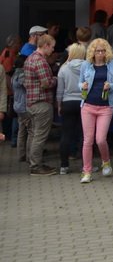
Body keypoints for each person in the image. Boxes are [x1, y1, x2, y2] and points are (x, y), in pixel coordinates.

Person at [78, 38, 113, 182]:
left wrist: (110, 85)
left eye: (103, 51)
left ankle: (106, 161)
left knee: (101, 139)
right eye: (98, 51)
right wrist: (82, 86)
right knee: (88, 140)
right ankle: (87, 172)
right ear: (92, 52)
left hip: (105, 106)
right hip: (88, 106)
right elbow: (79, 83)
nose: (101, 54)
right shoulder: (86, 65)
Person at [22, 34, 57, 176]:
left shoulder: (30, 58)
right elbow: (46, 83)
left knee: (32, 133)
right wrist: (55, 79)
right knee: (40, 136)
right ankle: (36, 166)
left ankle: (31, 162)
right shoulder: (40, 61)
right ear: (46, 45)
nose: (53, 50)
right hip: (41, 103)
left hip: (31, 102)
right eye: (52, 47)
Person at [55, 42, 87, 175]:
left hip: (68, 103)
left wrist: (59, 104)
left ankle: (64, 166)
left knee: (66, 135)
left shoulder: (63, 68)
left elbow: (60, 89)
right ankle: (85, 165)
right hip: (83, 103)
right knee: (85, 136)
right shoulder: (87, 67)